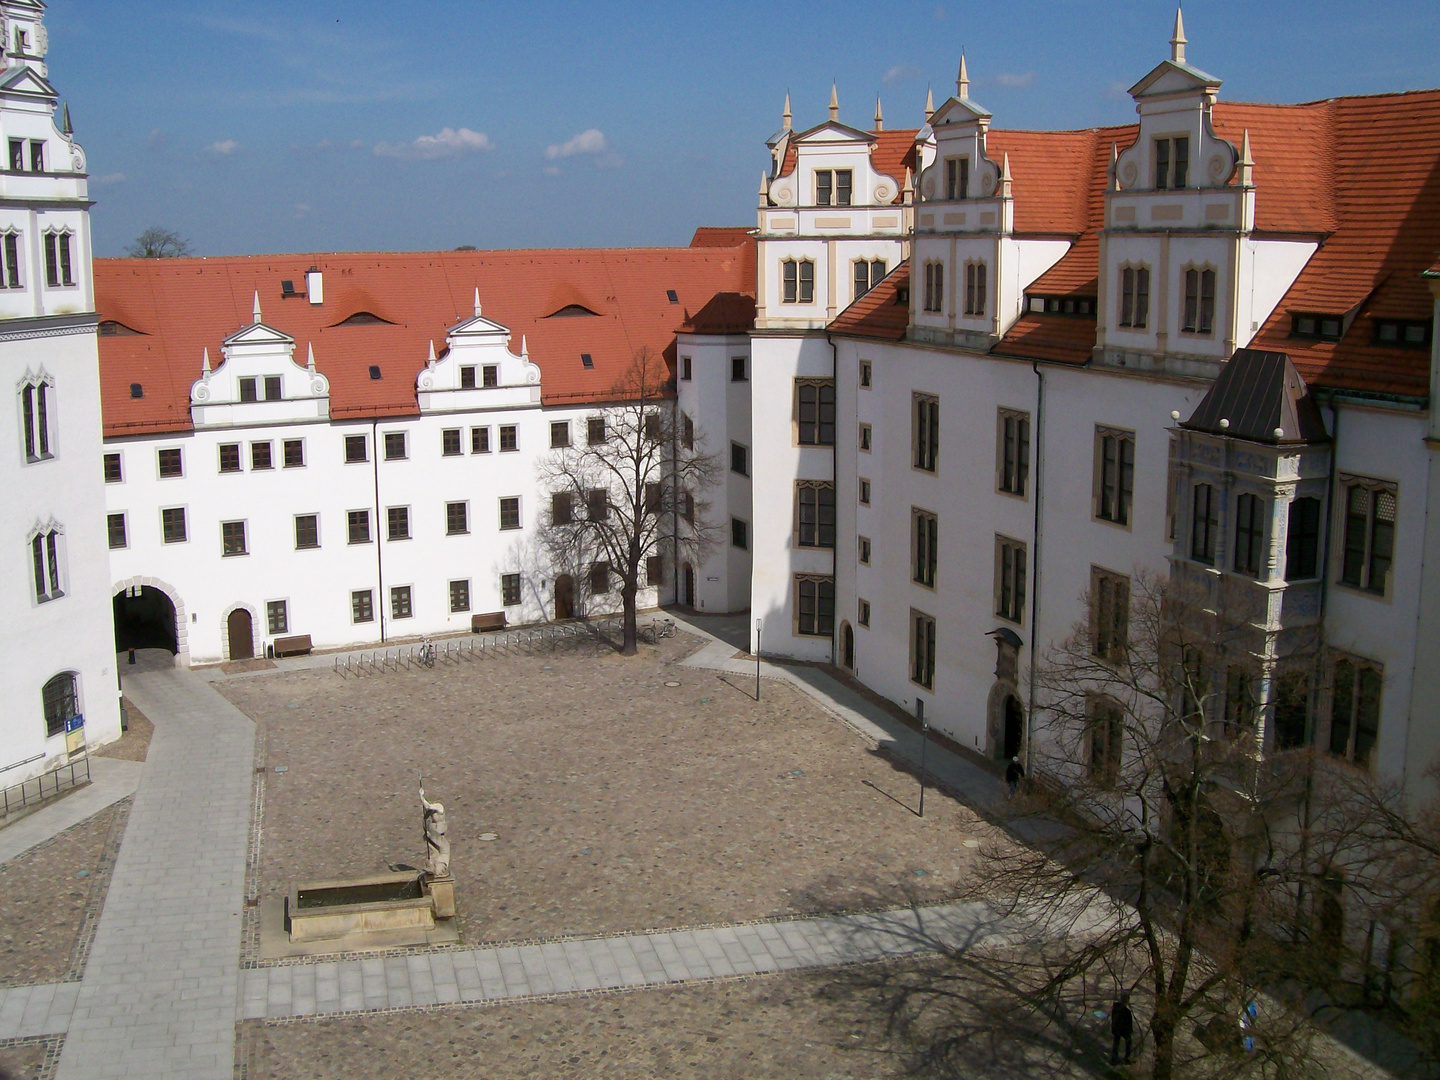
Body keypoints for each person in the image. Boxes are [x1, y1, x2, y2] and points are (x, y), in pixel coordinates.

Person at [1111, 992, 1134, 1065]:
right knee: (1124, 1042)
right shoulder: (1122, 1010)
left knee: (1118, 1042)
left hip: (1119, 1029)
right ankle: (1123, 1058)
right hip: (1121, 1029)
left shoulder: (1118, 1009)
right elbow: (1126, 1022)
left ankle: (1117, 1058)